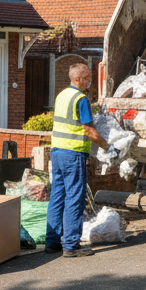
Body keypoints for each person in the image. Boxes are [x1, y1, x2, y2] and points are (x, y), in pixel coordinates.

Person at [46, 62, 113, 257]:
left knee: (57, 197)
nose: (90, 81)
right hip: (72, 154)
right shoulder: (81, 99)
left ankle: (52, 242)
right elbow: (88, 129)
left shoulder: (62, 95)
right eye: (87, 78)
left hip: (57, 152)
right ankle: (71, 245)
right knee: (75, 198)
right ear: (79, 79)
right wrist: (107, 147)